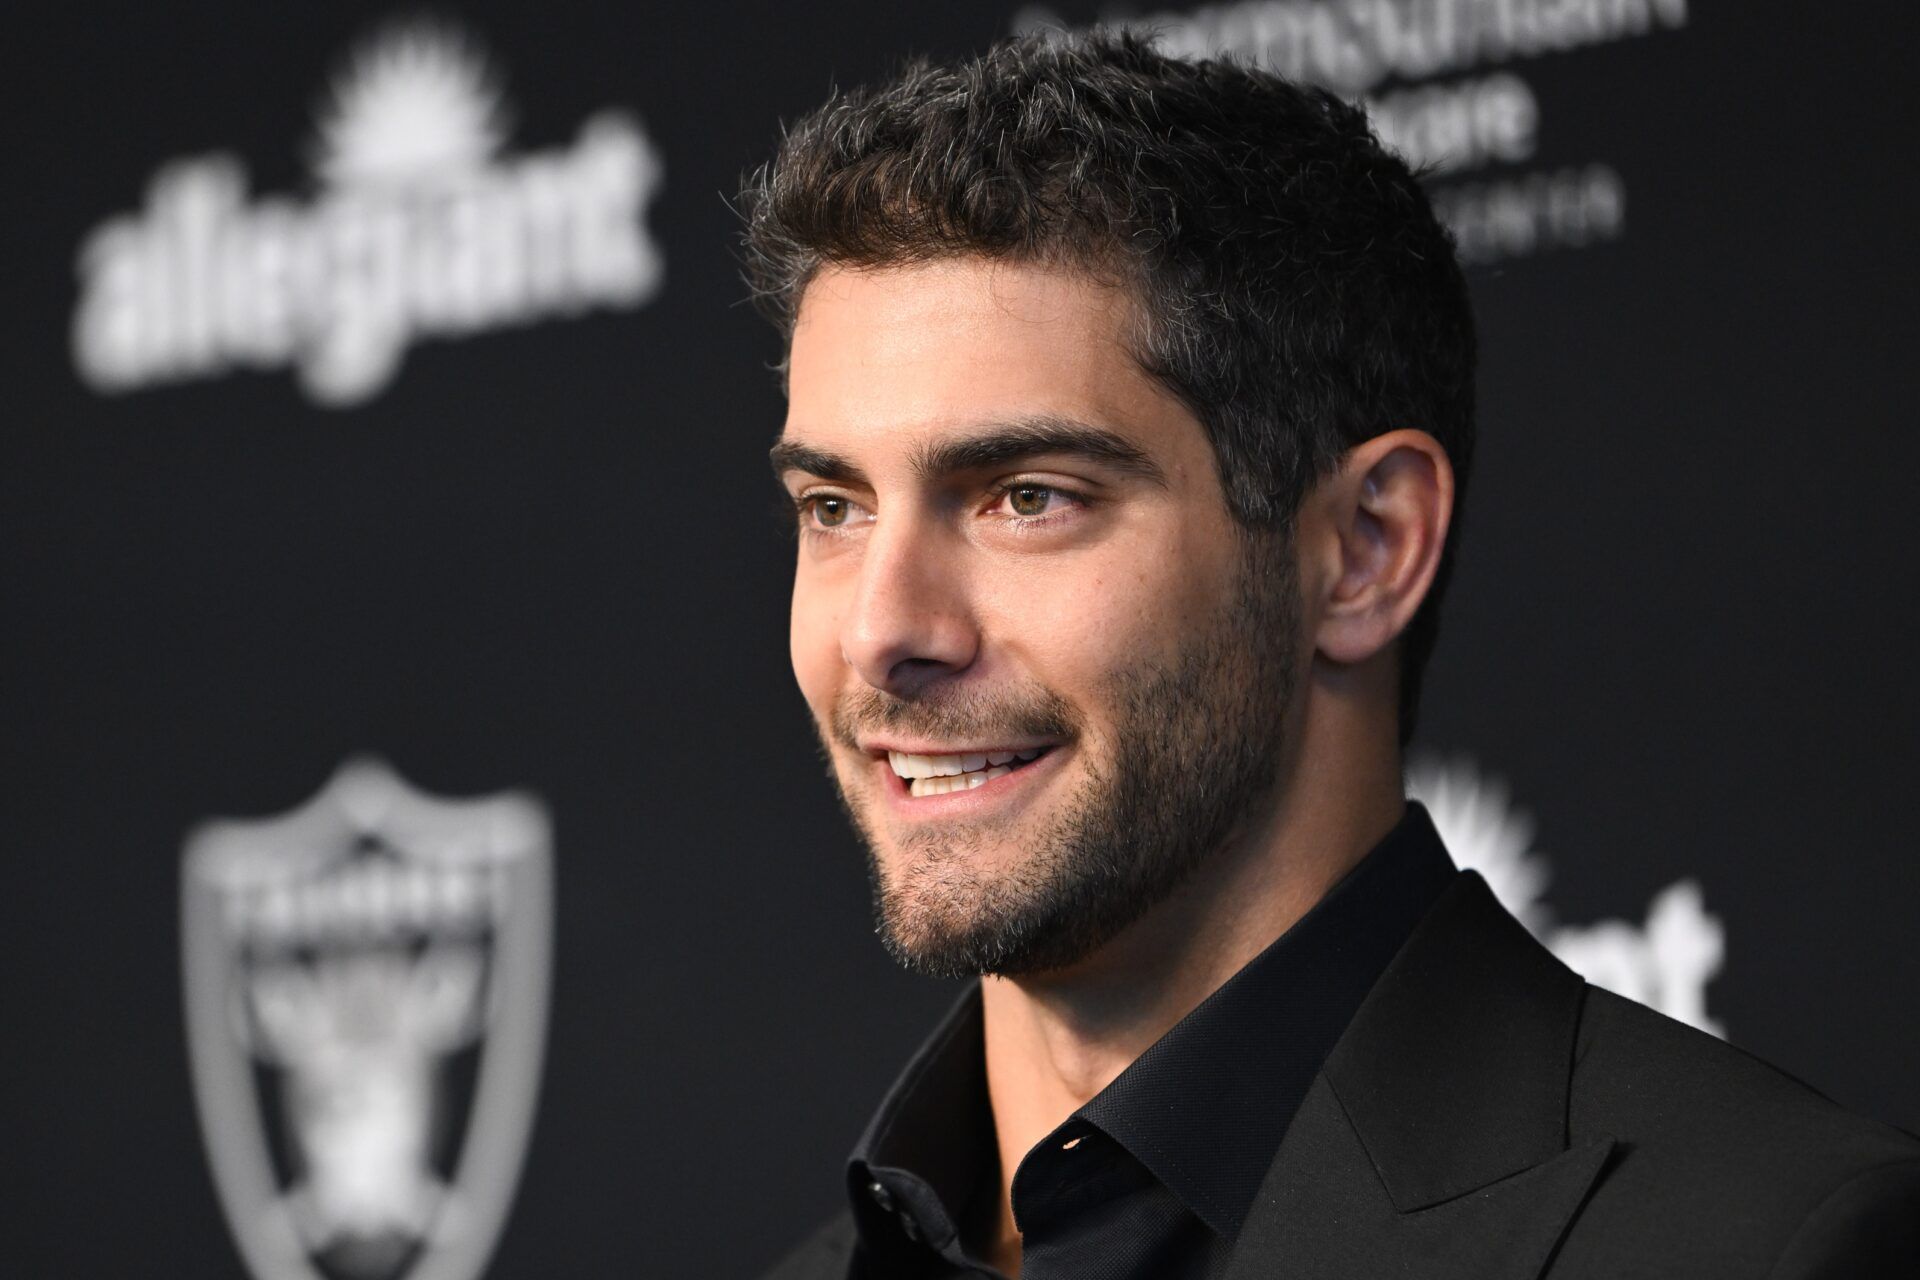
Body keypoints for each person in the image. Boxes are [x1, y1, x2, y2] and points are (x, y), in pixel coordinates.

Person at [740, 30, 1920, 1280]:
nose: (883, 629)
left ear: (1364, 548)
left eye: (1027, 496)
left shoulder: (1770, 1244)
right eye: (836, 507)